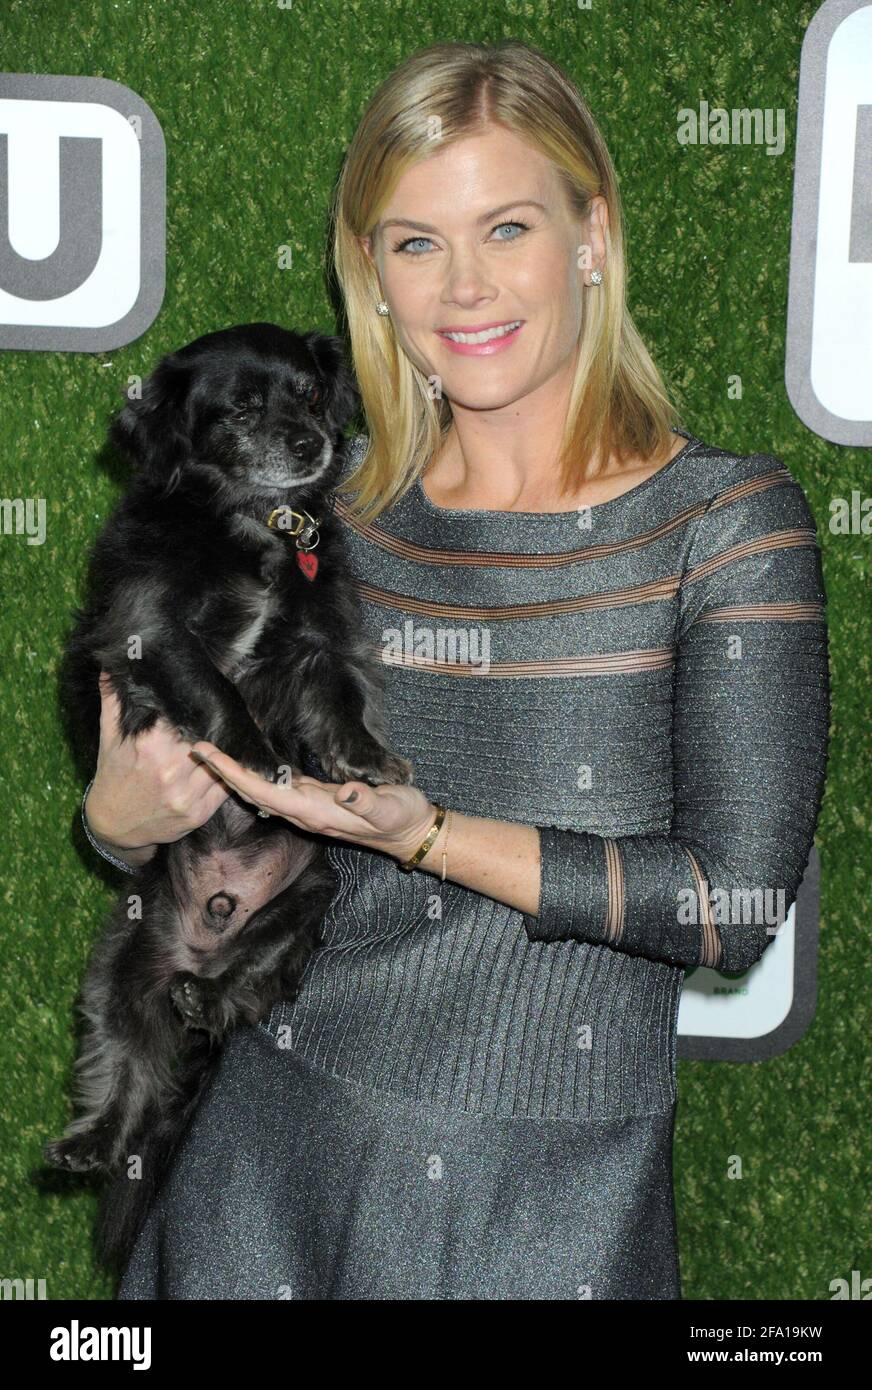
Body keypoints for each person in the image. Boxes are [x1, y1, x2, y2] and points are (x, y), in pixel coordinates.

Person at [82, 41, 830, 1299]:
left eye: (506, 227)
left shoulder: (722, 522)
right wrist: (116, 821)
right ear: (368, 272)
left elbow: (732, 907)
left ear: (591, 233)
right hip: (259, 1183)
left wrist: (426, 832)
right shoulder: (327, 517)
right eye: (414, 242)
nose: (462, 286)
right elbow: (196, 800)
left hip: (545, 1214)